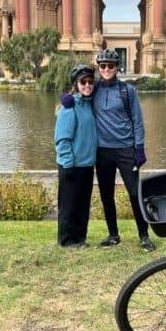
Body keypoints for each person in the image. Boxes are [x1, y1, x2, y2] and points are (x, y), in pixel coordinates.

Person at [92, 49, 155, 251]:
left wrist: (140, 148)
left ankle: (144, 235)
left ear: (117, 68)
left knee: (135, 194)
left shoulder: (128, 90)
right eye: (103, 66)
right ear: (98, 68)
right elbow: (77, 98)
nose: (107, 69)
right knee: (106, 195)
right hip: (102, 151)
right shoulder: (93, 89)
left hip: (126, 149)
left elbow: (137, 120)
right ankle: (113, 235)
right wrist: (66, 101)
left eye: (110, 66)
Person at [54, 64, 97, 249]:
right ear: (76, 84)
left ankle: (79, 238)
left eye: (90, 81)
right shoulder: (69, 107)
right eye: (83, 82)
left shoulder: (89, 104)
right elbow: (62, 139)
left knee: (82, 205)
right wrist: (68, 164)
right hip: (72, 165)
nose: (87, 85)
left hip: (87, 165)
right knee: (69, 205)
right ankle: (66, 240)